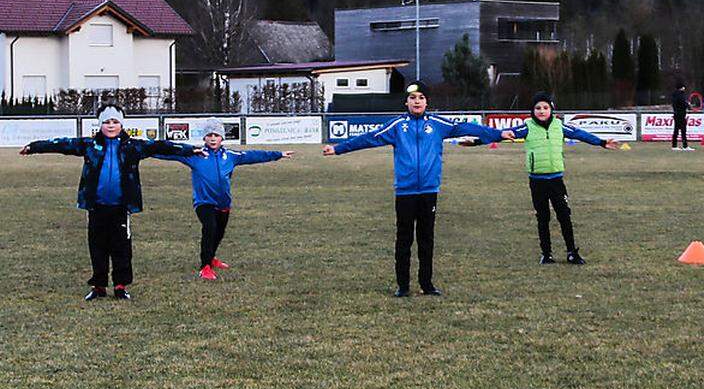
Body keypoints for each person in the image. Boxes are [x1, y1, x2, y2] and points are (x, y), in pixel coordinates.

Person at [322, 82, 504, 297]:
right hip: (405, 192)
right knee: (404, 239)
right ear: (406, 102)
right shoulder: (397, 126)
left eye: (421, 98)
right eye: (413, 98)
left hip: (428, 191)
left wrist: (499, 134)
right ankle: (403, 286)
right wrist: (338, 149)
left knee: (426, 239)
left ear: (427, 102)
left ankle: (426, 284)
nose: (417, 101)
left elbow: (469, 128)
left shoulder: (438, 124)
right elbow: (369, 138)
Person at [19, 104, 199, 301]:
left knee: (122, 247)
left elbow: (161, 146)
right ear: (100, 124)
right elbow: (61, 144)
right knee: (97, 246)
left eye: (115, 122)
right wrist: (34, 147)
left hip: (121, 207)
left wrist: (190, 150)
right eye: (106, 122)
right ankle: (98, 286)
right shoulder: (89, 145)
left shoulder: (133, 146)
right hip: (96, 206)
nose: (111, 126)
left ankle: (121, 286)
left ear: (122, 124)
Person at [154, 118, 293, 280]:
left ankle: (211, 258)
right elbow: (169, 153)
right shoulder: (195, 155)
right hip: (204, 202)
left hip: (223, 203)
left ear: (222, 138)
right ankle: (205, 266)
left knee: (219, 232)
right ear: (204, 138)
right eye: (209, 135)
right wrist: (146, 151)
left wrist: (279, 155)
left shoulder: (231, 156)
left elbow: (254, 155)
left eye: (216, 135)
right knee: (210, 227)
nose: (213, 138)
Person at [493, 92, 619, 264]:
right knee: (543, 217)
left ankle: (572, 252)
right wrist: (478, 140)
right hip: (537, 182)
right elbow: (503, 134)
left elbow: (580, 134)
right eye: (538, 108)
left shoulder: (559, 126)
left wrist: (602, 142)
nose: (542, 111)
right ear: (533, 110)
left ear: (551, 109)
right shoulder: (527, 127)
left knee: (564, 216)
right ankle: (546, 253)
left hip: (556, 180)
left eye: (545, 107)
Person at [671, 80, 692, 151]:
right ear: (682, 87)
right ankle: (685, 146)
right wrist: (688, 105)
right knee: (683, 130)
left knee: (676, 130)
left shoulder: (674, 95)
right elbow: (684, 103)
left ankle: (674, 146)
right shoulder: (681, 95)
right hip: (681, 114)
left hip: (676, 114)